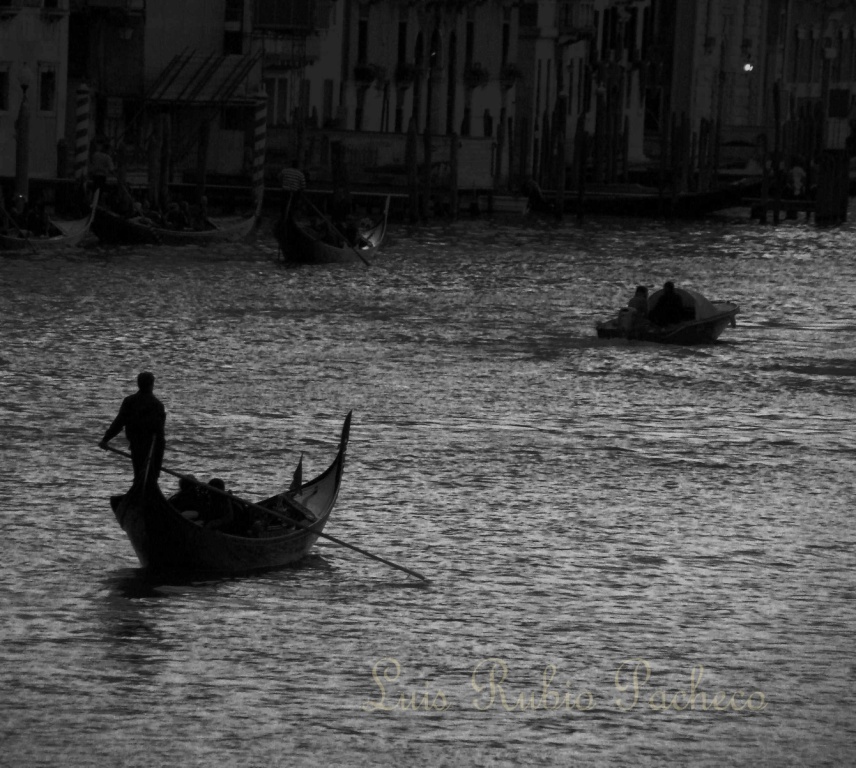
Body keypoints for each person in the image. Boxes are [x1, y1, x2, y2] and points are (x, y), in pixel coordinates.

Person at [100, 372, 166, 487]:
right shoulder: (157, 405)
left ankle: (143, 487)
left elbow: (118, 423)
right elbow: (160, 435)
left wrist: (106, 439)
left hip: (139, 446)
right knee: (150, 478)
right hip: (150, 447)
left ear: (138, 384)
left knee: (141, 475)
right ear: (152, 385)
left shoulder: (130, 401)